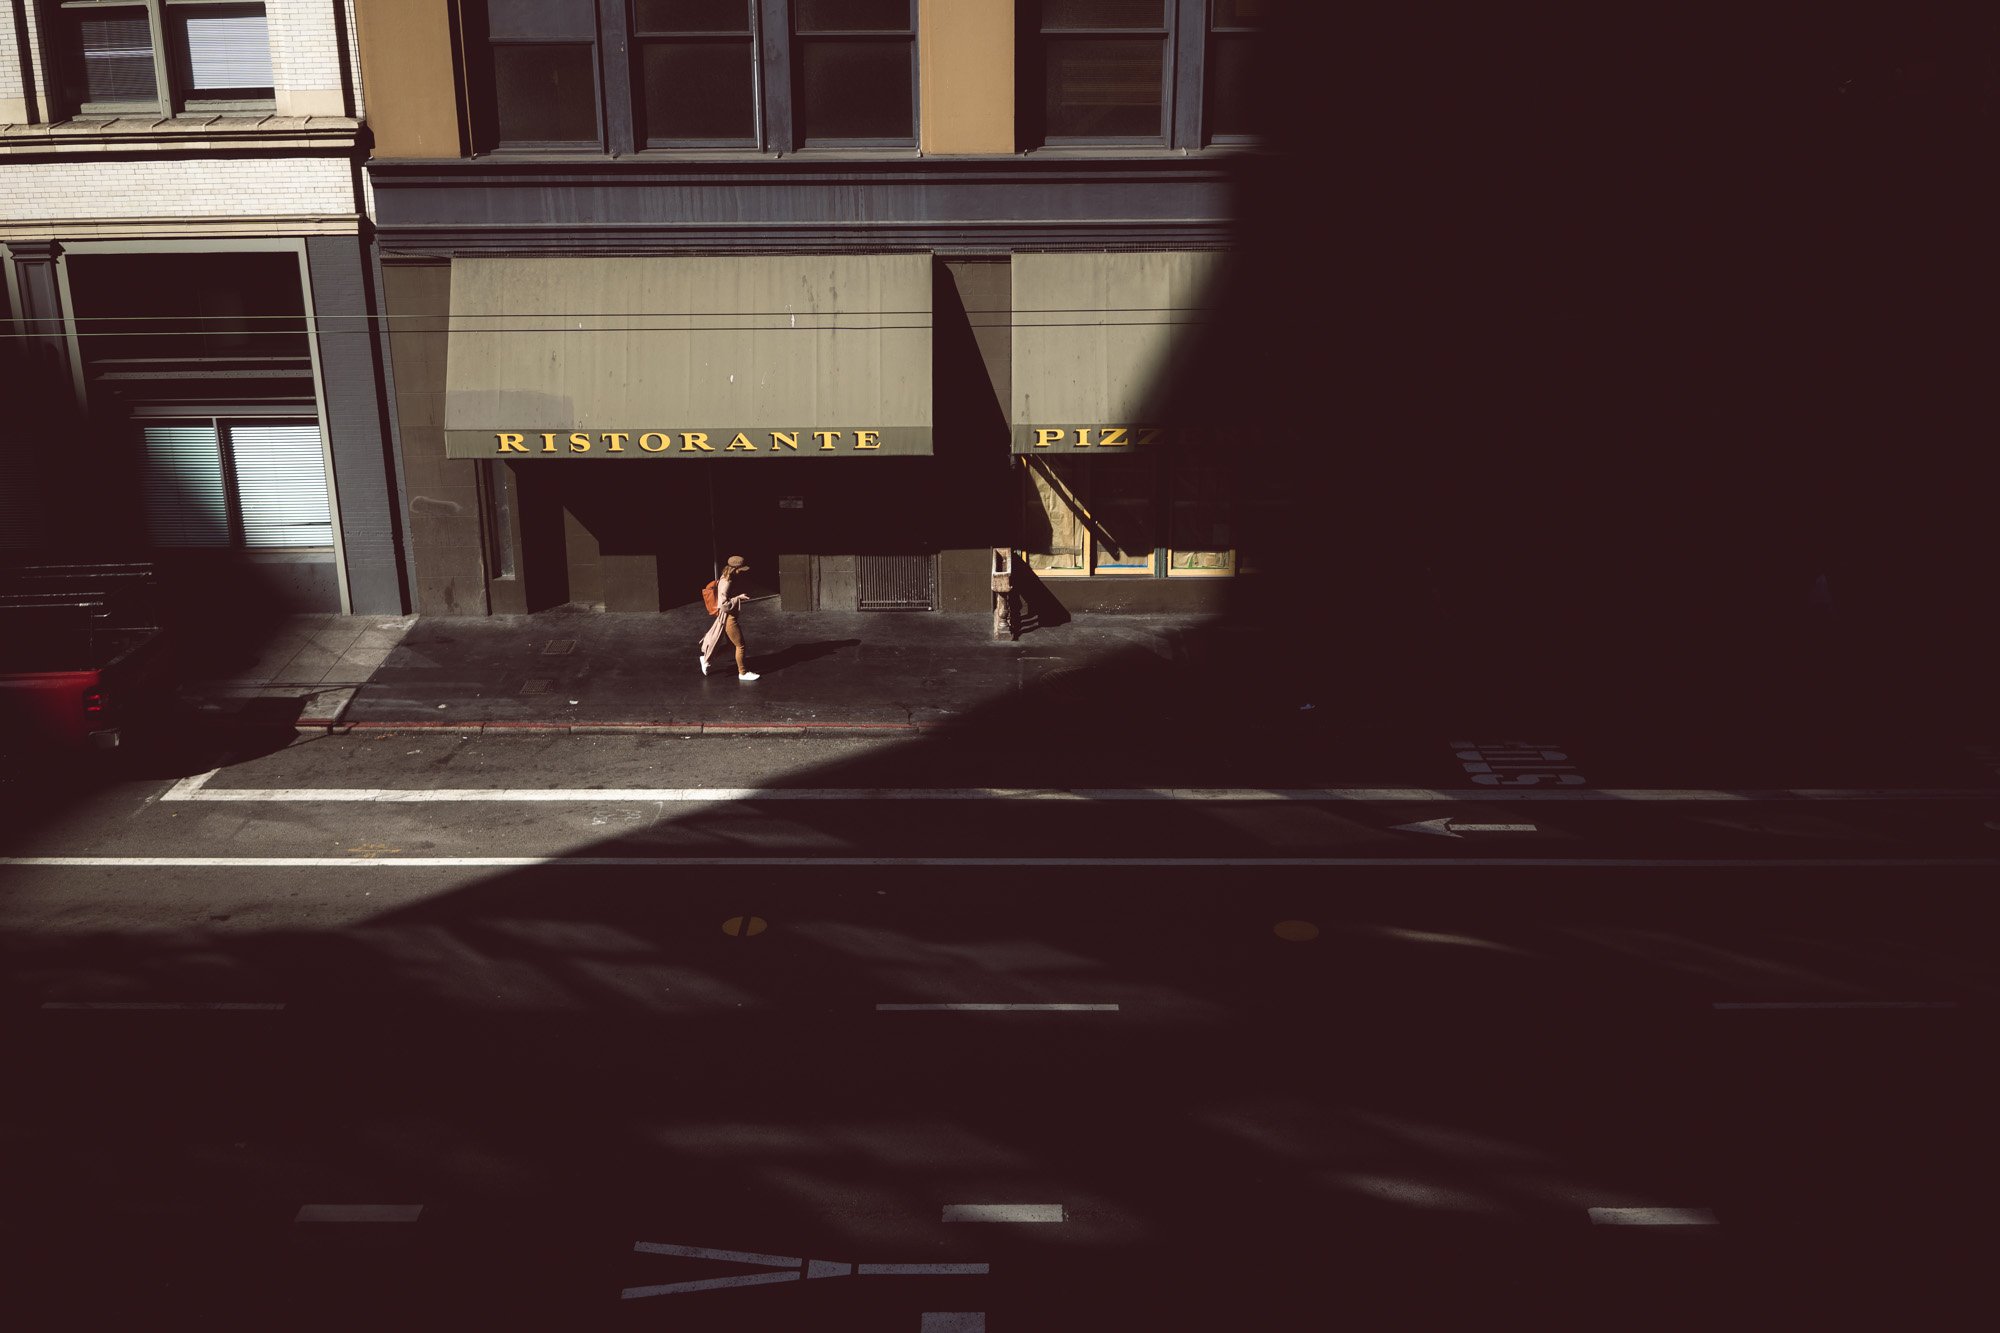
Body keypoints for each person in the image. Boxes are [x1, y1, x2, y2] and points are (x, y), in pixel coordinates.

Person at [699, 555, 759, 681]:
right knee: (740, 645)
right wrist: (739, 598)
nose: (742, 572)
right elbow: (723, 605)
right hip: (729, 618)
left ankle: (706, 659)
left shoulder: (728, 577)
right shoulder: (727, 581)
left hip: (729, 617)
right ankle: (742, 673)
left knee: (732, 645)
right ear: (736, 568)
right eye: (741, 569)